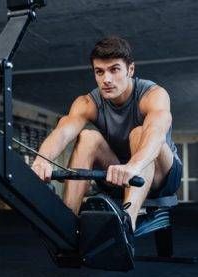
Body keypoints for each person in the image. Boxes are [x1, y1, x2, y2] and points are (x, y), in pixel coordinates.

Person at [32, 36, 182, 235]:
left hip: (162, 177)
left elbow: (156, 133)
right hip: (118, 175)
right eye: (99, 72)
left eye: (114, 69)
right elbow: (63, 132)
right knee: (87, 138)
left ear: (130, 70)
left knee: (139, 133)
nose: (107, 79)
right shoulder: (88, 102)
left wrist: (133, 166)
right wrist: (42, 160)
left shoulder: (152, 94)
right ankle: (67, 223)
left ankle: (127, 223)